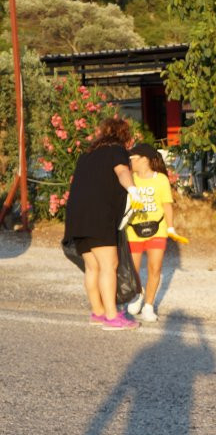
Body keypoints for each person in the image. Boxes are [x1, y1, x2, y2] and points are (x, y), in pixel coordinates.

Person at [63, 117, 144, 331]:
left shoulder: (86, 155)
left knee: (92, 267)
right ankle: (111, 316)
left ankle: (97, 312)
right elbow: (122, 172)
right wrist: (134, 190)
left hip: (76, 218)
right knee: (109, 265)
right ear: (123, 135)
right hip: (99, 216)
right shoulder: (116, 150)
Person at [124, 143, 189, 323]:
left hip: (157, 229)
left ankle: (149, 306)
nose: (130, 162)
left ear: (144, 159)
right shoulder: (129, 178)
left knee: (155, 268)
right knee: (132, 270)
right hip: (133, 229)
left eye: (132, 158)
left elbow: (166, 204)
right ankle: (138, 293)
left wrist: (170, 228)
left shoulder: (160, 179)